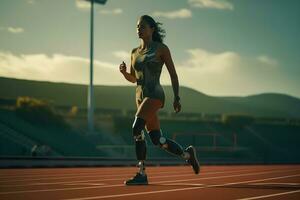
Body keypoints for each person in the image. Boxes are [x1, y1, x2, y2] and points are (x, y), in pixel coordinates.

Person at [119, 15, 200, 185]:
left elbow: (173, 74)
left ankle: (141, 174)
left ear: (152, 29)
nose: (138, 29)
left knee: (136, 128)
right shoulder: (134, 52)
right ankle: (187, 155)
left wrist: (177, 97)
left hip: (155, 95)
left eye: (142, 26)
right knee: (157, 140)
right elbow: (134, 79)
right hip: (140, 98)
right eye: (137, 27)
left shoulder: (161, 48)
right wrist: (124, 73)